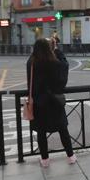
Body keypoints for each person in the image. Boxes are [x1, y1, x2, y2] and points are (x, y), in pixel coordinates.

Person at [26, 37, 76, 168]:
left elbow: (30, 82)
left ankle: (45, 160)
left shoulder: (32, 62)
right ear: (50, 48)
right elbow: (64, 69)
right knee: (62, 129)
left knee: (41, 132)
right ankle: (70, 156)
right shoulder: (54, 61)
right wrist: (57, 51)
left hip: (39, 102)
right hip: (55, 101)